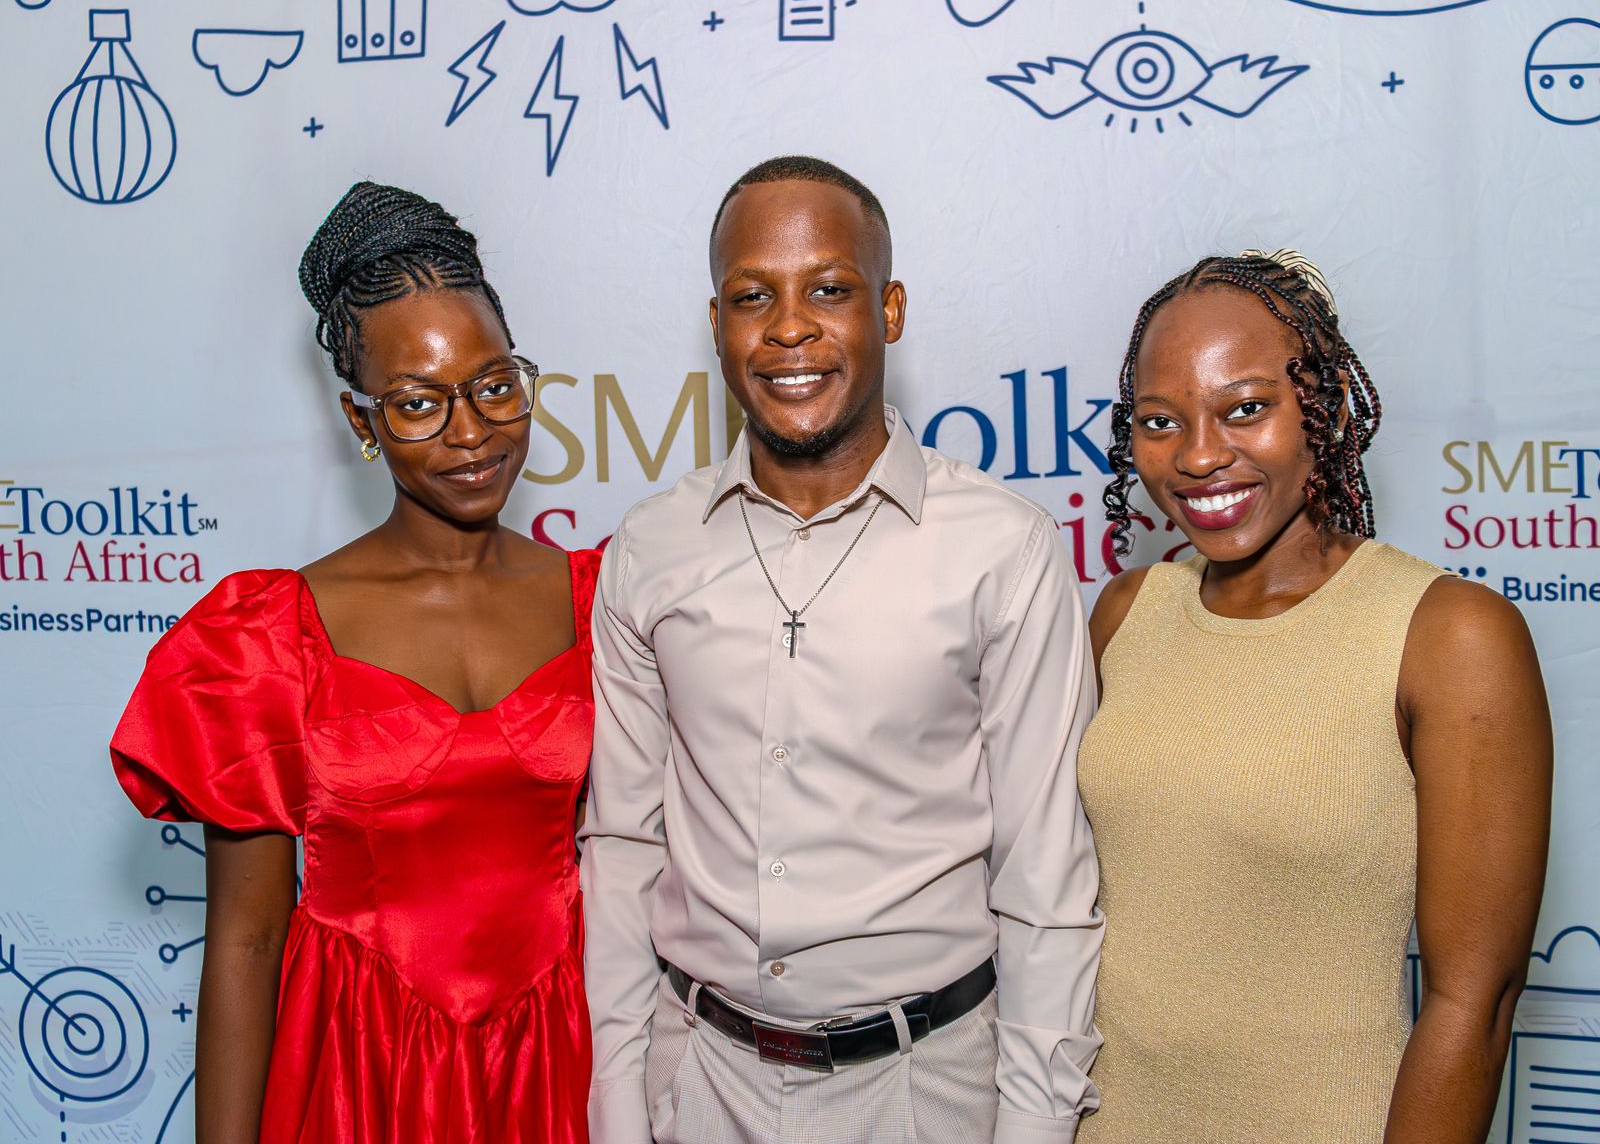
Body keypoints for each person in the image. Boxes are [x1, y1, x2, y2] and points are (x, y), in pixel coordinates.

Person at [580, 155, 1103, 1144]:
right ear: (716, 323)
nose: (789, 328)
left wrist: (1036, 1126)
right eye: (752, 297)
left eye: (828, 289)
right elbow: (622, 846)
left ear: (888, 309)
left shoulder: (1003, 548)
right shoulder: (650, 548)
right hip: (699, 1081)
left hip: (927, 1089)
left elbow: (1045, 875)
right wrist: (616, 1103)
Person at [110, 182, 598, 1144]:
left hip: (560, 1059)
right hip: (359, 1071)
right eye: (417, 403)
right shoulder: (269, 636)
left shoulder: (601, 600)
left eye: (495, 385)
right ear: (362, 420)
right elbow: (248, 939)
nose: (471, 432)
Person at [1078, 250, 1552, 1143]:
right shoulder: (1127, 612)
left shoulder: (1449, 634)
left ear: (1325, 408)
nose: (1199, 455)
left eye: (1245, 408)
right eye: (1160, 421)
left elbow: (1474, 1003)